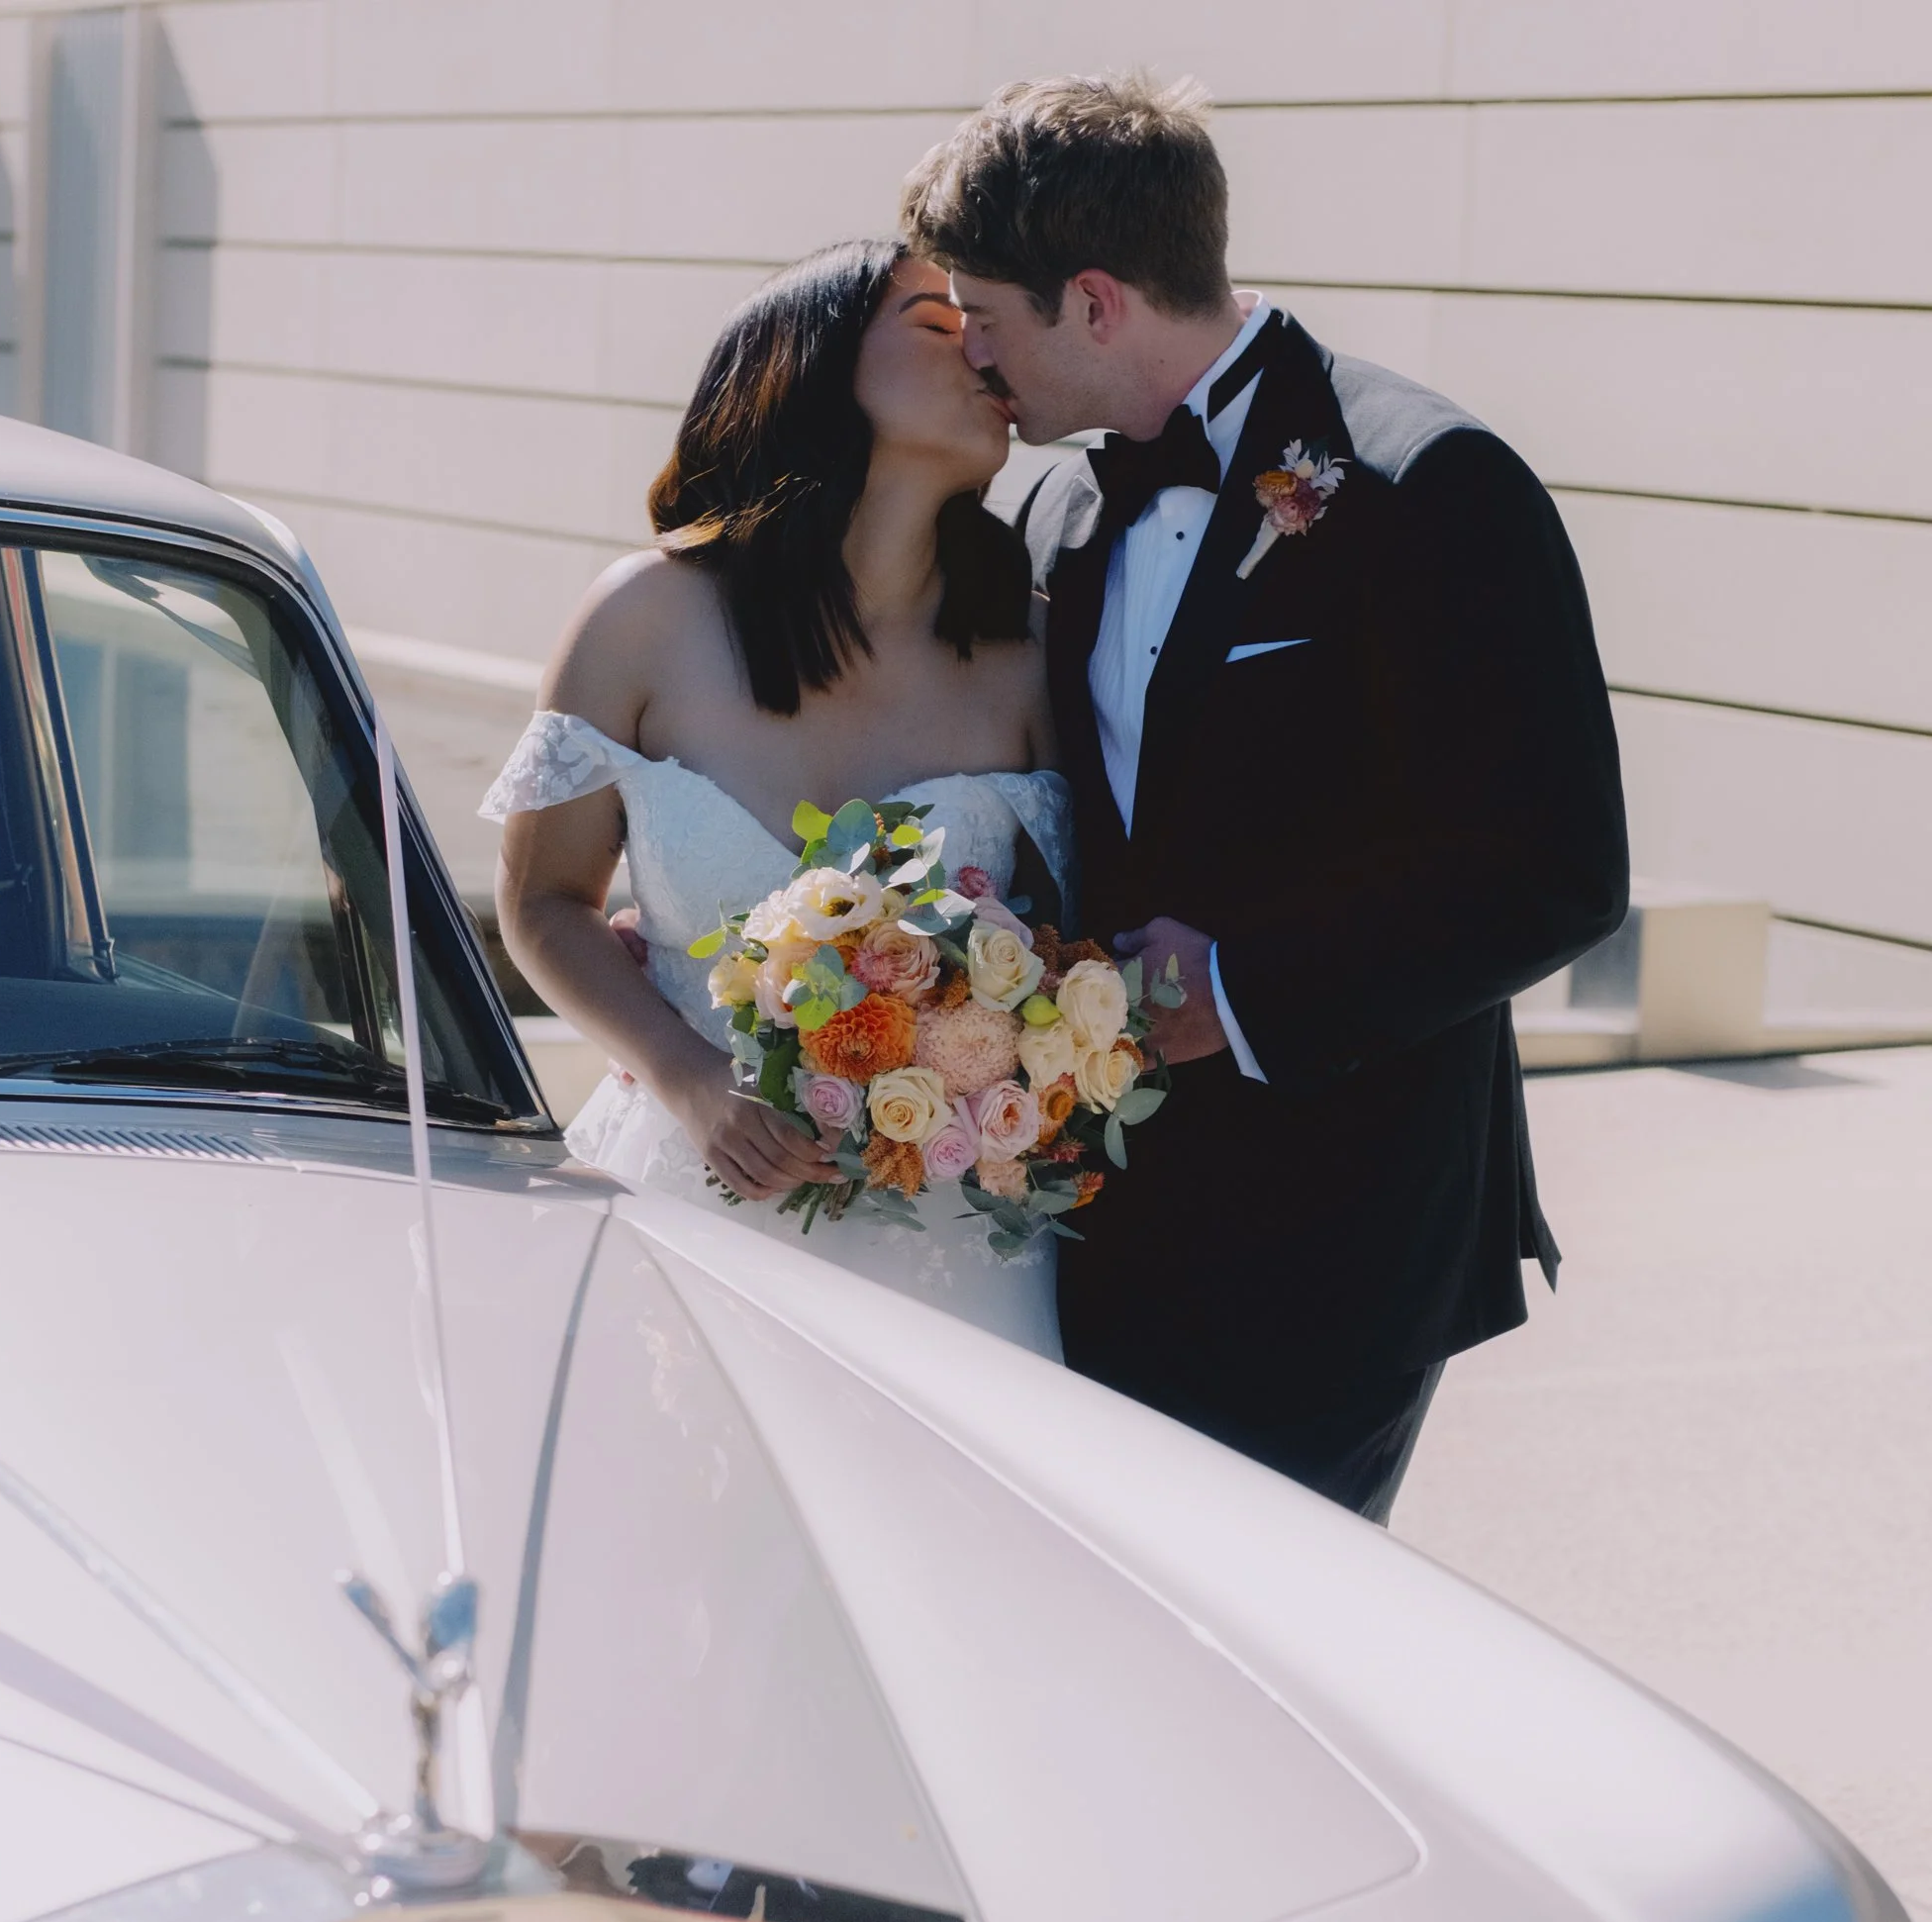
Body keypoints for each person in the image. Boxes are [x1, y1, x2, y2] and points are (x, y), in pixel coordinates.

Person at [901, 73, 1630, 1520]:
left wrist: (1236, 988)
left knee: (1260, 1651)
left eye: (985, 314)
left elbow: (1554, 868)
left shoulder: (1431, 485)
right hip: (1094, 1217)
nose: (970, 354)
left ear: (1095, 302)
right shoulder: (1050, 508)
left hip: (1344, 1217)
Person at [488, 240, 1071, 1357]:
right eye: (934, 323)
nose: (981, 351)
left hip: (955, 1253)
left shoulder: (1025, 646)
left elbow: (1065, 951)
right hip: (687, 1200)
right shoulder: (643, 618)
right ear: (810, 362)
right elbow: (544, 901)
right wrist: (688, 1076)